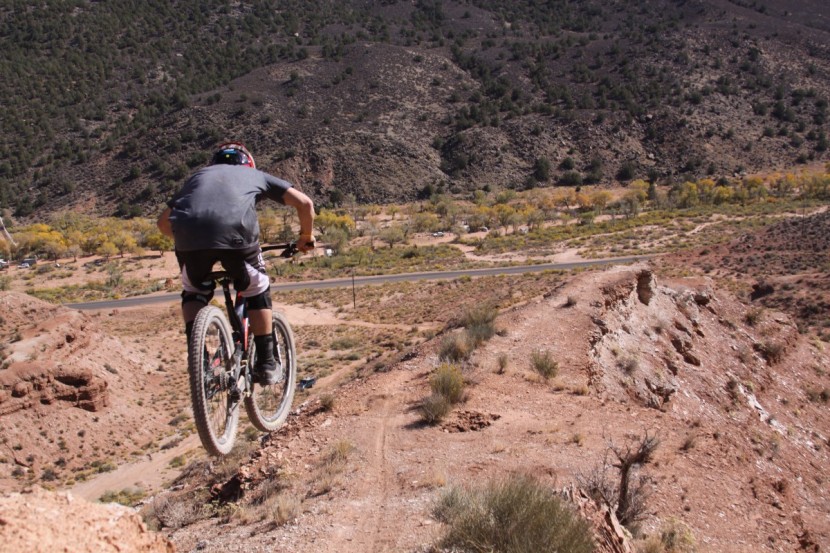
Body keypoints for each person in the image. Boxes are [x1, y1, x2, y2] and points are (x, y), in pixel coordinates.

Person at [157, 142, 315, 384]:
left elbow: (162, 223)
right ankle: (266, 364)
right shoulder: (254, 175)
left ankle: (198, 362)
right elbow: (305, 204)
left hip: (188, 238)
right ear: (248, 163)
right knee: (257, 287)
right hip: (236, 237)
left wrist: (193, 239)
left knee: (194, 291)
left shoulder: (197, 178)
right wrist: (305, 237)